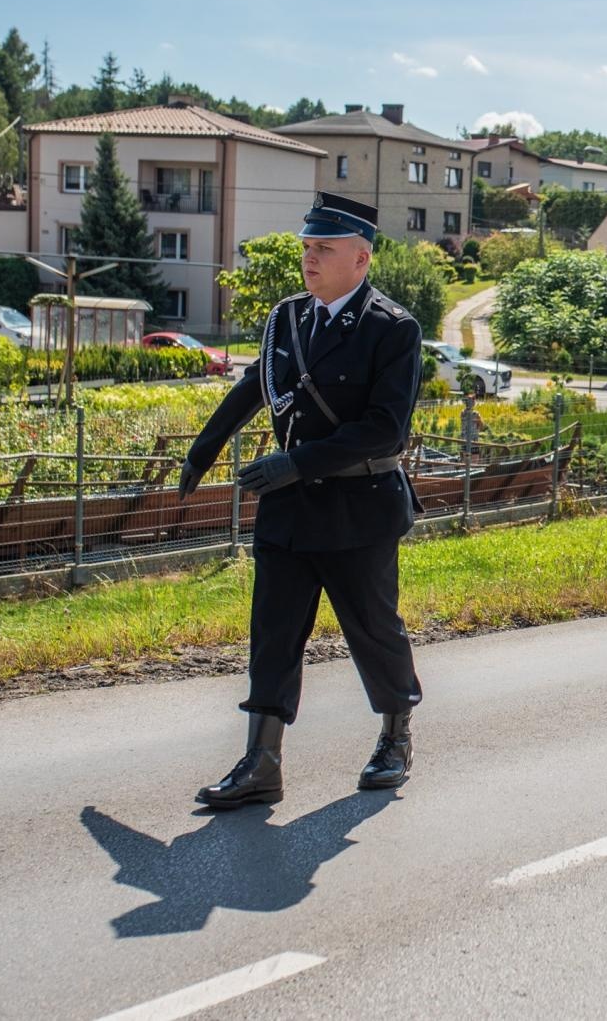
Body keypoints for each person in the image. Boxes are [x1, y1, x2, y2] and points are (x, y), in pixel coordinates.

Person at [179, 192, 425, 808]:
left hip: (359, 505)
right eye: (307, 248)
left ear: (361, 259)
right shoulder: (286, 318)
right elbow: (252, 389)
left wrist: (296, 462)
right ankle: (261, 761)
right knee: (274, 631)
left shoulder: (392, 329)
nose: (310, 260)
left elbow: (384, 429)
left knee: (373, 628)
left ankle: (395, 738)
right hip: (289, 510)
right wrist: (201, 452)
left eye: (324, 249)